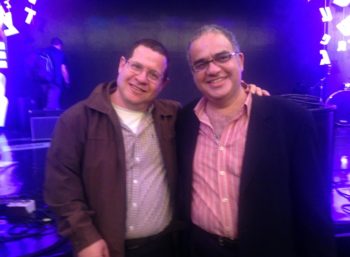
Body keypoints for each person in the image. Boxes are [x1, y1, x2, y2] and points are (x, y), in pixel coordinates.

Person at [44, 38, 266, 257]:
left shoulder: (173, 115)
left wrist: (246, 93)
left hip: (165, 248)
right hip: (105, 249)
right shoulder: (78, 119)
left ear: (163, 83)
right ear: (122, 65)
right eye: (136, 67)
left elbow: (219, 105)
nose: (141, 78)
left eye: (153, 74)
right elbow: (61, 187)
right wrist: (85, 237)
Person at [176, 24, 335, 257]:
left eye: (222, 57)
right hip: (201, 249)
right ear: (193, 73)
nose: (212, 69)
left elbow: (313, 211)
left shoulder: (290, 119)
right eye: (200, 63)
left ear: (240, 60)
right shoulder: (184, 121)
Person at [37, 37, 70, 110]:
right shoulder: (60, 54)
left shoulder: (43, 52)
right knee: (54, 103)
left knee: (45, 101)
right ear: (60, 45)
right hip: (55, 81)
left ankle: (42, 116)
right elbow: (63, 69)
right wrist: (67, 81)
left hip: (42, 80)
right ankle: (52, 119)